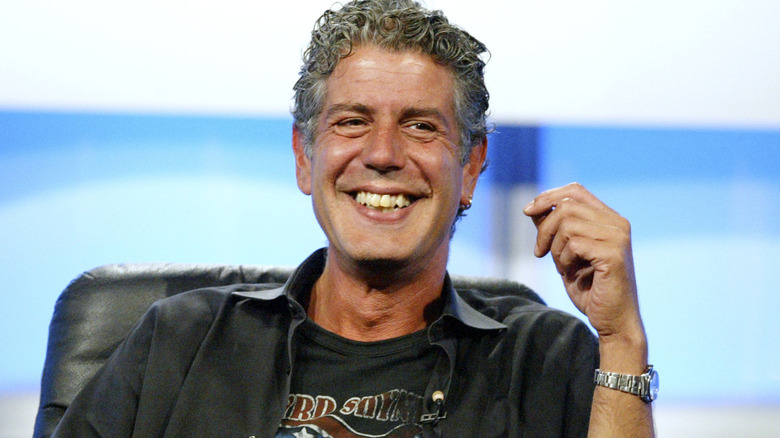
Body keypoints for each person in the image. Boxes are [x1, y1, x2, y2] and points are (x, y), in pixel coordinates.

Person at [52, 0, 655, 436]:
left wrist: (623, 339)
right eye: (351, 121)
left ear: (470, 167)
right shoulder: (179, 340)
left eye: (421, 125)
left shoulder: (544, 358)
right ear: (303, 156)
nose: (384, 154)